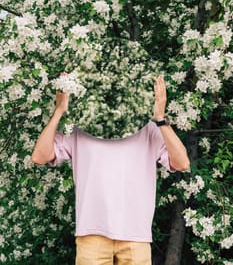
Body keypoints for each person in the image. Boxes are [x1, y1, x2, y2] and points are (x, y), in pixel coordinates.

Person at [31, 75, 190, 265]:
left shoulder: (148, 129)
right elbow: (39, 156)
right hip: (92, 234)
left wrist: (160, 119)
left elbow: (182, 163)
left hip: (135, 235)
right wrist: (59, 111)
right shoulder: (78, 130)